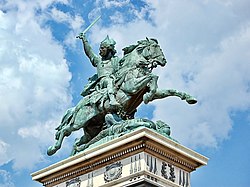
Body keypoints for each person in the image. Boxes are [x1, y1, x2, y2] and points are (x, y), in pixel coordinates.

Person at [78, 34, 120, 107]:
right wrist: (84, 40)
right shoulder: (98, 61)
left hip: (115, 80)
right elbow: (89, 52)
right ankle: (112, 99)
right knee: (108, 80)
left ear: (109, 49)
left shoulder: (116, 60)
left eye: (102, 48)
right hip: (103, 81)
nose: (100, 50)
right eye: (100, 48)